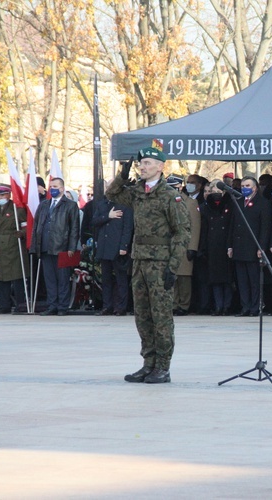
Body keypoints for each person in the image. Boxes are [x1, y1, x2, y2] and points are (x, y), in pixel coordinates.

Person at [106, 143, 190, 384]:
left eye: (147, 163)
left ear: (160, 167)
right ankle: (148, 363)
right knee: (142, 315)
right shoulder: (137, 191)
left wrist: (173, 266)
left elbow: (182, 232)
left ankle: (163, 366)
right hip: (140, 261)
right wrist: (122, 176)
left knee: (161, 316)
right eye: (140, 163)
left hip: (161, 263)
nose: (142, 167)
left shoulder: (169, 196)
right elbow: (112, 195)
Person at [29, 177, 81, 316]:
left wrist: (71, 247)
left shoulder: (70, 205)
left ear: (62, 188)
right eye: (51, 186)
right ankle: (52, 305)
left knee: (63, 279)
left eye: (56, 186)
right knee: (49, 279)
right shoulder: (44, 204)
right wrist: (35, 246)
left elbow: (74, 228)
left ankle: (62, 307)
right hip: (45, 246)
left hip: (62, 247)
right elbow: (36, 226)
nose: (53, 188)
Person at [228, 175, 272, 317]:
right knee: (242, 280)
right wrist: (230, 246)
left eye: (247, 186)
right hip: (239, 246)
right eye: (242, 186)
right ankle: (245, 307)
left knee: (254, 280)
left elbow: (265, 227)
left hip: (253, 247)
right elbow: (232, 225)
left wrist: (262, 247)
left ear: (255, 188)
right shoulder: (238, 201)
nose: (244, 188)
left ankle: (255, 307)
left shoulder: (263, 203)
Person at [92, 183, 134, 316]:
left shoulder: (125, 206)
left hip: (117, 248)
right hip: (104, 247)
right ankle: (107, 306)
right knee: (106, 279)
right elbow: (94, 221)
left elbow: (128, 229)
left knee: (121, 279)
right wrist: (108, 216)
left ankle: (121, 307)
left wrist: (124, 247)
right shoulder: (102, 204)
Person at [0, 184, 29, 314]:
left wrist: (22, 233)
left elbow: (26, 226)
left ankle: (20, 305)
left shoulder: (17, 209)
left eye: (3, 195)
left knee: (17, 277)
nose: (0, 197)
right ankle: (4, 305)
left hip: (14, 246)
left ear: (9, 195)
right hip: (2, 247)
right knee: (2, 278)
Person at [200, 180, 234, 315]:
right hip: (212, 246)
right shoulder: (206, 207)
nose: (216, 194)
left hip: (226, 245)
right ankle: (219, 305)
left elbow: (232, 225)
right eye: (213, 192)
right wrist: (202, 248)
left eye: (218, 192)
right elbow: (203, 229)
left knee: (227, 279)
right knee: (215, 279)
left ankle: (227, 306)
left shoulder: (230, 204)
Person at [170, 176, 200, 317]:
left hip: (184, 244)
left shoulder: (190, 203)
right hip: (168, 245)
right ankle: (173, 304)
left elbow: (195, 226)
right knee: (171, 276)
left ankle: (184, 305)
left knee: (184, 277)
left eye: (174, 186)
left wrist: (192, 247)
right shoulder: (164, 201)